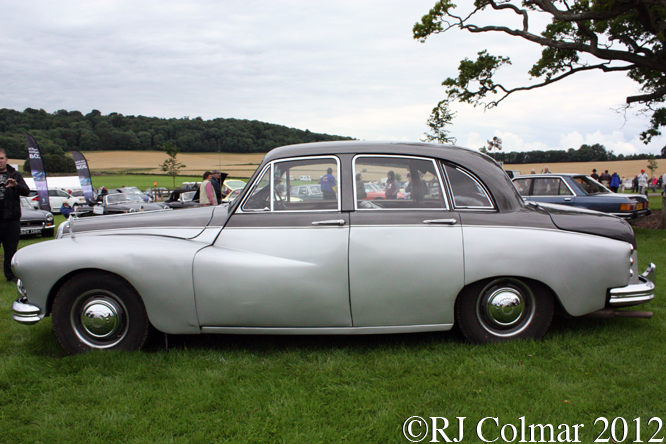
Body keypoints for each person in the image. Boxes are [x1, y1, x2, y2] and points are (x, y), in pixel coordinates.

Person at [0, 148, 29, 282]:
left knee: (11, 250)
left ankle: (10, 276)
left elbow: (26, 191)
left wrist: (16, 185)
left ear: (6, 159)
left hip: (11, 218)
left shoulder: (15, 174)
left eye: (1, 158)